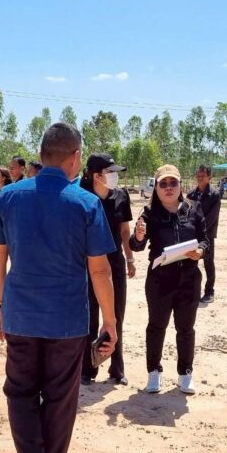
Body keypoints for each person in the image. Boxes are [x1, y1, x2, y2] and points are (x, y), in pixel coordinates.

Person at [0, 123, 117, 453]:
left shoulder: (10, 196)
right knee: (61, 398)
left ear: (42, 155)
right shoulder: (86, 203)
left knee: (21, 395)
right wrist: (110, 322)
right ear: (75, 157)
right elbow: (100, 270)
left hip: (21, 316)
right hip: (67, 321)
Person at [130, 164, 208, 395]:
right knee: (156, 326)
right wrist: (139, 236)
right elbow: (136, 246)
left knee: (186, 328)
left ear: (180, 185)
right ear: (156, 188)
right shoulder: (149, 213)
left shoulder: (194, 209)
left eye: (173, 182)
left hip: (189, 279)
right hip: (160, 281)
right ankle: (154, 372)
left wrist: (201, 251)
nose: (168, 187)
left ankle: (185, 374)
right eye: (163, 183)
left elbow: (205, 240)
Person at [80, 153, 135, 386]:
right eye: (110, 172)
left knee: (115, 315)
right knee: (89, 314)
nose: (114, 176)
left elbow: (124, 230)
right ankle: (88, 368)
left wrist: (130, 258)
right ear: (96, 175)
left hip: (114, 262)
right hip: (87, 263)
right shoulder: (81, 196)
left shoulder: (121, 195)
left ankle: (117, 368)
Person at [187, 164, 222, 304]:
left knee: (208, 263)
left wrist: (200, 230)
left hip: (208, 234)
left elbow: (212, 217)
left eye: (203, 176)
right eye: (198, 175)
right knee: (191, 262)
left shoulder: (214, 195)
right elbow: (187, 214)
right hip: (192, 234)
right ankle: (191, 290)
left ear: (209, 177)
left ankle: (209, 291)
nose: (200, 178)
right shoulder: (191, 195)